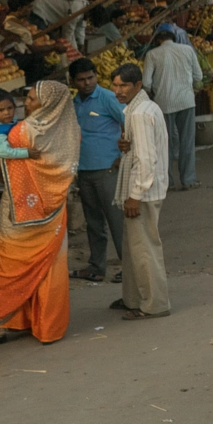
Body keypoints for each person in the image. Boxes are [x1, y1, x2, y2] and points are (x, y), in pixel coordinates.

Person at [0, 80, 78, 344]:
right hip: (54, 211)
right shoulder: (71, 131)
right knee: (51, 268)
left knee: (9, 264)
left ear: (47, 103)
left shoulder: (19, 133)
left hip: (17, 212)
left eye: (31, 99)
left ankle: (5, 322)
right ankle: (47, 327)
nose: (24, 105)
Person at [111, 62, 172, 319]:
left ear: (137, 85)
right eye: (114, 85)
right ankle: (133, 298)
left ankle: (154, 304)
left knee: (145, 248)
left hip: (143, 191)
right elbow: (144, 148)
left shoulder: (138, 113)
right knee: (134, 248)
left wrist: (135, 194)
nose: (118, 90)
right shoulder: (143, 108)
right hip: (144, 188)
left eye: (124, 85)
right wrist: (127, 146)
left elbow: (147, 159)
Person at [66, 59, 128, 284]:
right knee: (93, 223)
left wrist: (124, 156)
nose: (87, 83)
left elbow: (129, 122)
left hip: (108, 169)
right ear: (73, 81)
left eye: (90, 78)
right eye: (81, 80)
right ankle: (97, 267)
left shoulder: (107, 98)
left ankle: (129, 268)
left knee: (117, 222)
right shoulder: (74, 103)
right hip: (84, 169)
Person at [142, 29, 204, 190]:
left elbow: (146, 83)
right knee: (187, 141)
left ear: (158, 40)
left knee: (164, 143)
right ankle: (188, 179)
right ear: (173, 38)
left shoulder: (152, 55)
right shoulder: (188, 50)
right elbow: (198, 76)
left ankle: (166, 181)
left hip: (164, 103)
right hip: (186, 101)